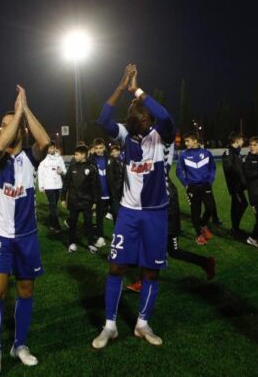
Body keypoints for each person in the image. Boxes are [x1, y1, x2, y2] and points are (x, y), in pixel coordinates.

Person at [92, 64, 175, 349]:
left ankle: (142, 323)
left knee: (151, 271)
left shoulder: (161, 135)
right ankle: (110, 325)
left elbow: (165, 115)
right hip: (128, 212)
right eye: (133, 120)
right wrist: (120, 86)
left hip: (155, 213)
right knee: (116, 267)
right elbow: (102, 118)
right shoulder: (126, 136)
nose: (137, 125)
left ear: (147, 120)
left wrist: (138, 90)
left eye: (140, 120)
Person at [0, 85, 50, 376]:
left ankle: (19, 345)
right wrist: (15, 117)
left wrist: (25, 110)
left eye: (14, 127)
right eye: (4, 126)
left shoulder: (29, 159)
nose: (9, 131)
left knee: (25, 291)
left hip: (27, 237)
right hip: (0, 236)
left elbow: (45, 142)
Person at [126, 143, 216, 292]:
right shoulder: (153, 175)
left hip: (167, 220)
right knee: (173, 252)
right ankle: (205, 263)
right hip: (163, 219)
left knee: (150, 248)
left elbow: (165, 204)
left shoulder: (161, 180)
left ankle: (143, 281)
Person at [176, 132, 216, 245]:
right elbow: (179, 171)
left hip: (205, 185)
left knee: (210, 208)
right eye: (186, 141)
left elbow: (212, 168)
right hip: (192, 187)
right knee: (195, 212)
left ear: (195, 141)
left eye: (188, 141)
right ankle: (199, 235)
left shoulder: (207, 153)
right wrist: (185, 184)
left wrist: (210, 180)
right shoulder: (183, 155)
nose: (186, 143)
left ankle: (203, 225)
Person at [61, 145, 100, 253]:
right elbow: (66, 183)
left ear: (83, 155)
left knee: (88, 223)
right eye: (75, 154)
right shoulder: (72, 167)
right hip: (73, 201)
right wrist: (63, 198)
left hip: (87, 201)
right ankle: (71, 243)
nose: (75, 156)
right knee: (72, 223)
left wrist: (95, 201)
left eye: (77, 154)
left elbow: (94, 186)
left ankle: (91, 244)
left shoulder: (91, 168)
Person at [222, 132, 248, 238]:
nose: (243, 142)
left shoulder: (236, 152)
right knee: (242, 204)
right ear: (237, 140)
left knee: (237, 205)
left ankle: (235, 228)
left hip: (239, 185)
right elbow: (229, 168)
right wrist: (239, 177)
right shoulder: (228, 152)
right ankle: (234, 229)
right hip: (235, 186)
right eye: (242, 140)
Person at [37, 142, 66, 233]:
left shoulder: (59, 158)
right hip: (48, 186)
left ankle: (51, 223)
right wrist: (41, 186)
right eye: (49, 148)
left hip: (58, 185)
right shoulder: (43, 159)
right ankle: (56, 226)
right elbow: (40, 173)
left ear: (55, 148)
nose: (51, 150)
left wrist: (61, 172)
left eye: (53, 148)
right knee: (53, 206)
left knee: (53, 206)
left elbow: (64, 170)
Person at [88, 138, 110, 247]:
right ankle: (101, 237)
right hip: (100, 194)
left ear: (104, 148)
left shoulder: (109, 158)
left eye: (101, 148)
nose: (99, 150)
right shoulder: (92, 160)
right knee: (99, 216)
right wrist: (90, 155)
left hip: (112, 193)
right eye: (96, 148)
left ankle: (120, 237)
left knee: (118, 216)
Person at [104, 143, 124, 225]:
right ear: (111, 153)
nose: (115, 153)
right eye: (113, 151)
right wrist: (114, 192)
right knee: (117, 214)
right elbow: (111, 179)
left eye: (117, 151)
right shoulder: (111, 162)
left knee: (120, 212)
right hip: (115, 192)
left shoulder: (119, 160)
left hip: (120, 191)